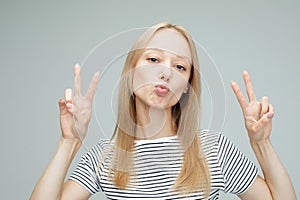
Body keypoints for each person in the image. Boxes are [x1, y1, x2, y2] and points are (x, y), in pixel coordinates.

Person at [30, 22, 296, 200]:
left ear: (185, 87)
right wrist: (70, 141)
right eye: (154, 59)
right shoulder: (105, 156)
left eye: (180, 67)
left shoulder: (213, 149)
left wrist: (261, 144)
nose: (166, 72)